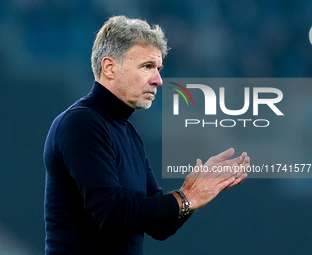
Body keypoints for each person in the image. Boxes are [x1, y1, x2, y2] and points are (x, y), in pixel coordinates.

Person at [43, 15, 250, 255]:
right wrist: (187, 197)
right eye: (147, 66)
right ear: (109, 67)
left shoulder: (128, 132)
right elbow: (112, 214)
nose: (159, 80)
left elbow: (159, 227)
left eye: (159, 68)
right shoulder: (81, 123)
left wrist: (197, 189)